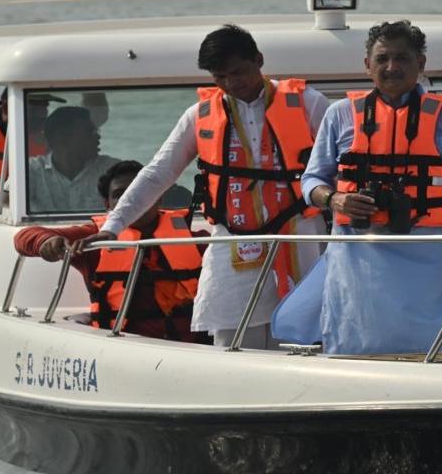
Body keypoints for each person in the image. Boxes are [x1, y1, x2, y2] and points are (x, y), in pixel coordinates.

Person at [91, 25, 329, 349]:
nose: (232, 84)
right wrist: (114, 225)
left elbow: (346, 161)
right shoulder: (199, 115)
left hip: (300, 238)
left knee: (305, 339)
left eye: (238, 72)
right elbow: (158, 172)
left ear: (258, 60)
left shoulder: (308, 104)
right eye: (220, 77)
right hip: (232, 246)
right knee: (231, 343)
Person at [273, 20, 442, 355]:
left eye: (402, 58)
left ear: (421, 64)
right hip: (357, 253)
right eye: (382, 59)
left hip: (426, 255)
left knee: (432, 344)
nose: (392, 67)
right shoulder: (339, 115)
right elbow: (311, 182)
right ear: (367, 66)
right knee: (353, 339)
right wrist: (336, 199)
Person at [13, 160, 206, 342]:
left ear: (159, 197)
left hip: (189, 350)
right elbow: (24, 236)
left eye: (140, 192)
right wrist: (46, 242)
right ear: (108, 205)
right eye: (119, 195)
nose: (131, 201)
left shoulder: (197, 240)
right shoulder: (94, 238)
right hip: (119, 347)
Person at [25, 106, 120, 213]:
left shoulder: (111, 170)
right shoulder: (31, 170)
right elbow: (6, 202)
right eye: (90, 132)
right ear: (62, 139)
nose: (98, 137)